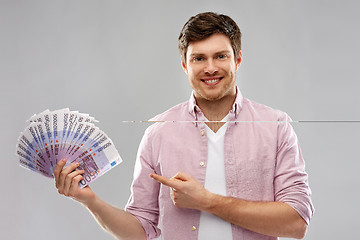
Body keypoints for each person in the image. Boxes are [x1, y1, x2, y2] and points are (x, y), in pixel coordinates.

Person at [54, 12, 314, 240]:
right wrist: (89, 200)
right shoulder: (159, 132)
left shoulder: (276, 126)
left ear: (237, 60)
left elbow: (296, 222)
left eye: (220, 56)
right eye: (199, 58)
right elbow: (139, 231)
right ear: (184, 65)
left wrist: (207, 201)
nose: (210, 68)